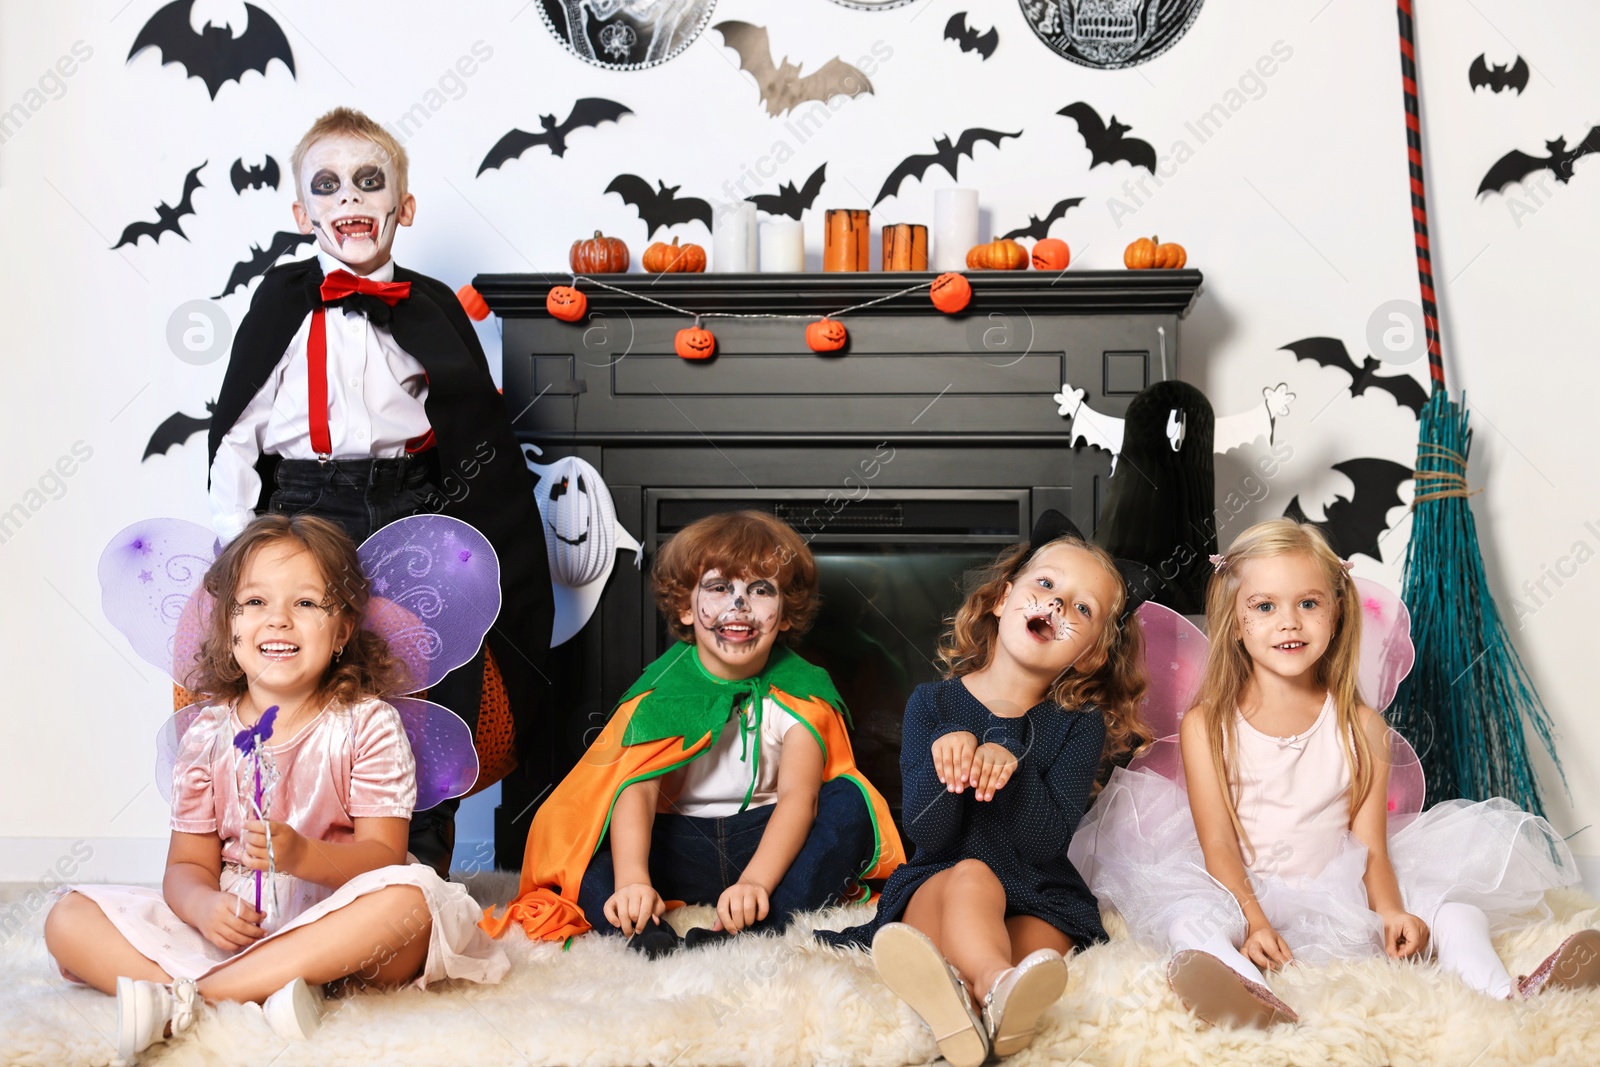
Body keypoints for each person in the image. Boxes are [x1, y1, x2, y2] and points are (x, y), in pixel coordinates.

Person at [1071, 518, 1598, 1029]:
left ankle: (1506, 993)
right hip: (1242, 887)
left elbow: (1370, 844)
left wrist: (1391, 911)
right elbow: (1218, 846)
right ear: (1235, 620)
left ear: (1337, 613)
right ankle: (1242, 991)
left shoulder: (1360, 726)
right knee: (1188, 919)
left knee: (1454, 910)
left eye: (1308, 603)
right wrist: (1254, 921)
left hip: (1338, 883)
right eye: (1264, 606)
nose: (1290, 622)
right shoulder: (1208, 725)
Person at [205, 107, 554, 875]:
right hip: (303, 504)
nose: (351, 200)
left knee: (430, 663)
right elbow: (235, 431)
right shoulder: (280, 304)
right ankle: (296, 847)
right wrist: (239, 545)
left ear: (405, 204)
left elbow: (473, 434)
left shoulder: (428, 306)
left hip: (410, 499)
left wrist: (471, 532)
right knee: (305, 663)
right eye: (328, 186)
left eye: (370, 181)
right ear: (303, 212)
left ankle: (420, 860)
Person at [44, 516, 507, 1062]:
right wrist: (203, 906)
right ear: (229, 627)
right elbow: (186, 867)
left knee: (411, 904)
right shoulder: (207, 735)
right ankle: (263, 990)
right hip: (239, 926)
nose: (279, 620)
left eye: (307, 604)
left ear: (342, 630)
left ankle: (194, 997)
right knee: (67, 918)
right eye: (255, 603)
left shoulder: (368, 724)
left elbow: (384, 857)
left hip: (341, 920)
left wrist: (303, 854)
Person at [481, 510, 906, 956]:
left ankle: (765, 921)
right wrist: (633, 881)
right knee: (588, 842)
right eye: (720, 588)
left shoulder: (802, 693)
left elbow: (801, 799)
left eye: (760, 590)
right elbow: (634, 788)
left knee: (851, 802)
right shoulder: (660, 693)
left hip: (765, 843)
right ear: (686, 607)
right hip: (675, 847)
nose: (738, 605)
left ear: (783, 615)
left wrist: (756, 883)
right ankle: (641, 929)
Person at [818, 517, 1150, 1067]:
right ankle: (995, 985)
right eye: (1045, 586)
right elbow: (929, 832)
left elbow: (1044, 843)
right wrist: (952, 763)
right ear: (1001, 599)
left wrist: (1012, 769)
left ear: (1090, 655)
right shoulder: (933, 706)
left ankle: (963, 1008)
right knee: (973, 877)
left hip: (1037, 891)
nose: (1058, 606)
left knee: (1042, 958)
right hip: (941, 886)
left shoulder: (1078, 724)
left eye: (1082, 608)